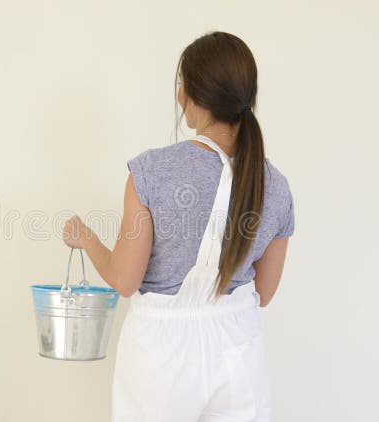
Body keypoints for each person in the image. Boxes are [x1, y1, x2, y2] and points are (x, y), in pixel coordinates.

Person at [62, 31, 294, 422]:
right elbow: (265, 291)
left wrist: (86, 238)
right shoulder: (277, 186)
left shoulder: (151, 171)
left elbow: (124, 279)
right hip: (238, 351)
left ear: (190, 92)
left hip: (161, 359)